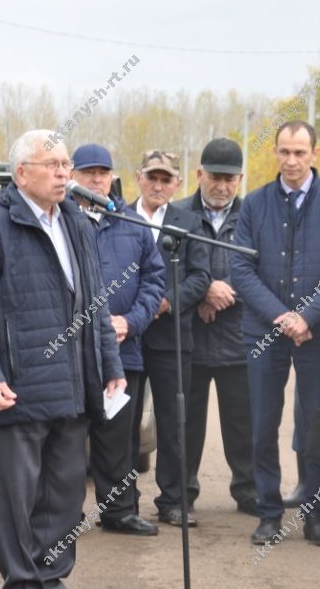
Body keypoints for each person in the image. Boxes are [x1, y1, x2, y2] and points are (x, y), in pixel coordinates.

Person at [0, 130, 125, 589]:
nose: (62, 173)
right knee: (18, 495)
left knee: (65, 492)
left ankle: (51, 581)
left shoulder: (76, 222)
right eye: (50, 164)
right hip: (19, 387)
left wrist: (110, 364)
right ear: (20, 173)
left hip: (74, 384)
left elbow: (96, 301)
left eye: (66, 163)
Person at [231, 120, 320, 547]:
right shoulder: (254, 204)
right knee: (263, 424)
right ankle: (269, 512)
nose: (291, 160)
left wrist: (308, 317)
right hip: (264, 332)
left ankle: (317, 515)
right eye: (284, 152)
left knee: (317, 424)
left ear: (314, 155)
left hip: (318, 334)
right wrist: (284, 317)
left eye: (300, 152)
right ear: (276, 153)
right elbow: (241, 270)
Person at [71, 143, 165, 536]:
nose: (96, 179)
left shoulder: (132, 223)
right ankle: (64, 514)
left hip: (124, 352)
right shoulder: (59, 221)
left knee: (118, 439)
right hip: (71, 354)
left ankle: (120, 511)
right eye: (89, 171)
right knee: (69, 439)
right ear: (73, 176)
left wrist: (132, 321)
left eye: (103, 172)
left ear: (112, 176)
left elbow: (154, 280)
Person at [172, 138, 259, 516]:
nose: (221, 186)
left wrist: (227, 292)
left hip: (240, 338)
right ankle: (181, 496)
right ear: (199, 174)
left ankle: (249, 491)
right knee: (186, 426)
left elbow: (267, 270)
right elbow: (163, 269)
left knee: (244, 425)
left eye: (230, 178)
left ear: (240, 179)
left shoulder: (254, 216)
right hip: (188, 338)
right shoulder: (177, 215)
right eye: (214, 177)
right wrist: (203, 290)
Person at [134, 150, 212, 527]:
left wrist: (168, 302)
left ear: (177, 184)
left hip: (171, 336)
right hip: (125, 337)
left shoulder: (188, 222)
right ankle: (120, 503)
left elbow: (201, 276)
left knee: (173, 421)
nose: (158, 185)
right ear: (139, 178)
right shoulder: (120, 217)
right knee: (121, 421)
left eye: (166, 179)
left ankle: (173, 501)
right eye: (152, 177)